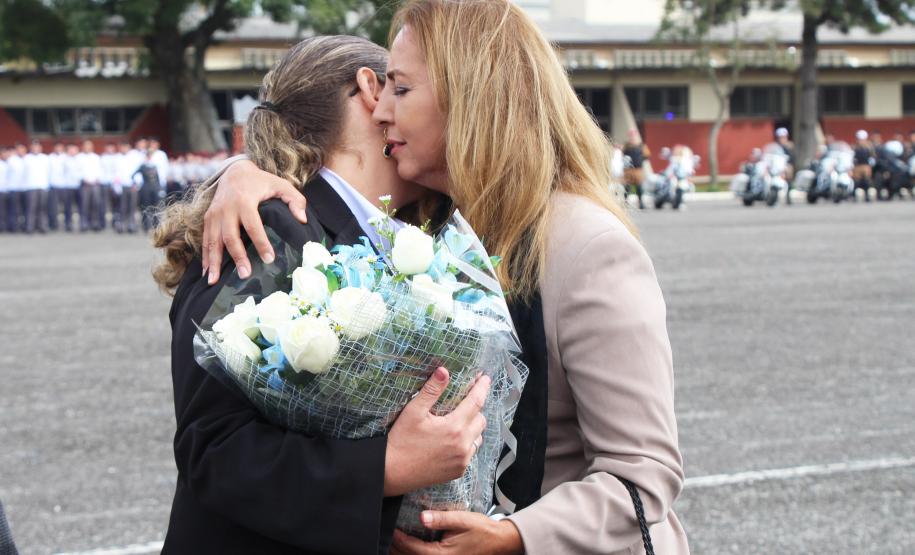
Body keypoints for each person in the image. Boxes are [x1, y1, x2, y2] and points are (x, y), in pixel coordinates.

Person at [206, 2, 688, 553]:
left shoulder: (587, 246)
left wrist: (513, 536)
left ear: (471, 98)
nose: (380, 110)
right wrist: (241, 171)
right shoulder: (428, 229)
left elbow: (642, 478)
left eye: (401, 90)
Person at [151, 35, 490, 553]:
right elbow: (212, 449)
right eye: (401, 88)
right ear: (371, 91)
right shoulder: (266, 229)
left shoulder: (402, 235)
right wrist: (384, 468)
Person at [22, 140, 50, 234]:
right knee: (31, 208)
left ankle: (43, 226)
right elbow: (22, 174)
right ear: (31, 148)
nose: (36, 148)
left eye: (37, 146)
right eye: (34, 147)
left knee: (43, 208)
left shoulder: (45, 158)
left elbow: (49, 173)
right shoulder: (26, 158)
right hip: (31, 186)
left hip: (43, 186)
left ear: (40, 148)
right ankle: (30, 227)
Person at [77, 140, 104, 231]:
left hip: (95, 184)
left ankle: (95, 223)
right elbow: (77, 171)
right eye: (86, 146)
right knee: (84, 205)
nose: (87, 148)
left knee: (95, 205)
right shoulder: (79, 157)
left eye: (89, 146)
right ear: (83, 147)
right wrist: (83, 179)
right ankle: (84, 223)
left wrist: (98, 178)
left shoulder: (96, 157)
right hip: (85, 184)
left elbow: (100, 169)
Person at [622, 128, 650, 209]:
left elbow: (647, 156)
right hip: (628, 170)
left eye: (633, 135)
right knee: (627, 187)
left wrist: (640, 160)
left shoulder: (641, 146)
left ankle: (641, 202)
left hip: (638, 170)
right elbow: (623, 155)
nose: (632, 137)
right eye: (631, 136)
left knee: (639, 187)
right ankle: (625, 202)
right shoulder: (626, 146)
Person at [852, 129, 874, 202]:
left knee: (867, 181)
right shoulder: (855, 147)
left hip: (866, 166)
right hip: (857, 166)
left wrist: (871, 164)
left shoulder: (869, 147)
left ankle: (867, 196)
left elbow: (872, 156)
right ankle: (854, 196)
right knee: (856, 182)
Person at [775, 127, 795, 204]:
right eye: (780, 137)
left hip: (786, 164)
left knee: (789, 170)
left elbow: (791, 158)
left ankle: (788, 195)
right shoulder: (776, 146)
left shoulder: (789, 146)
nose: (782, 139)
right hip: (776, 165)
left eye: (784, 137)